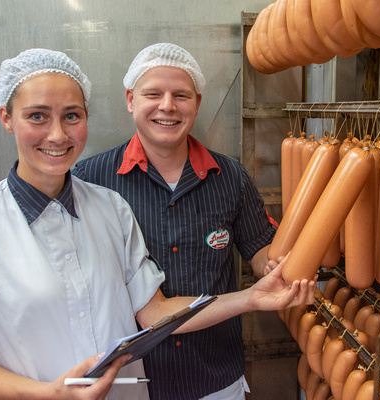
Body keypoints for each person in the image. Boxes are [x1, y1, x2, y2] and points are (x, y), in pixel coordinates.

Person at [0, 48, 315, 400]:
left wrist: (260, 291)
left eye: (71, 116)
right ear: (6, 118)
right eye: (37, 116)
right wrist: (48, 394)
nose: (58, 134)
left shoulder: (110, 208)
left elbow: (155, 312)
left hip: (182, 381)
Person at [73, 43, 281, 400]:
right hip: (128, 382)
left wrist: (277, 266)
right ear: (130, 100)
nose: (167, 106)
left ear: (197, 104)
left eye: (181, 95)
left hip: (215, 377)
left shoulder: (230, 176)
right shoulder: (91, 180)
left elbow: (259, 249)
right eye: (153, 93)